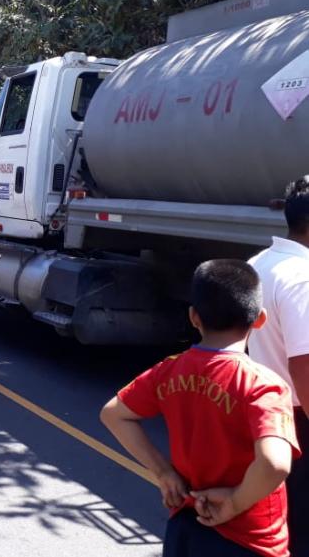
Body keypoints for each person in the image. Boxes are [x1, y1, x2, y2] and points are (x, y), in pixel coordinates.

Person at [100, 260, 300, 557]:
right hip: (250, 538)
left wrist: (164, 473)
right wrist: (234, 502)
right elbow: (274, 464)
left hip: (187, 521)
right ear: (260, 319)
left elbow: (113, 414)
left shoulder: (169, 370)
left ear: (194, 317)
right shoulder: (263, 385)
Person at [249, 176, 309, 557]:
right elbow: (304, 368)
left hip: (263, 413)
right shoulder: (302, 278)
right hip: (299, 421)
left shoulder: (257, 264)